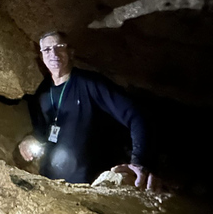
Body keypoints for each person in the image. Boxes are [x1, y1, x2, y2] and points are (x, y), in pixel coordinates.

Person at [18, 31, 154, 187]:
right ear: (42, 56)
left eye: (59, 47)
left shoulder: (90, 84)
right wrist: (31, 138)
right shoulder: (42, 92)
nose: (53, 53)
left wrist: (139, 161)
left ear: (71, 52)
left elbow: (136, 115)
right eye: (47, 49)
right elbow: (43, 131)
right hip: (50, 183)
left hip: (90, 185)